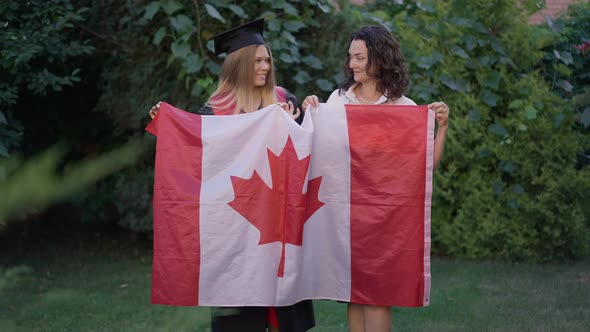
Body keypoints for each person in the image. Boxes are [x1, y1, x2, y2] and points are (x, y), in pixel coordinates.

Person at [149, 19, 315, 332]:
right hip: (237, 229)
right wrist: (168, 126)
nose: (265, 66)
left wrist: (300, 118)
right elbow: (197, 158)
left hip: (278, 225)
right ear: (238, 64)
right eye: (257, 60)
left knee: (284, 318)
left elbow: (310, 150)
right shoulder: (215, 110)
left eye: (267, 60)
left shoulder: (284, 101)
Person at [302, 25, 449, 332]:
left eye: (360, 57)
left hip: (385, 218)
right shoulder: (337, 102)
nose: (352, 64)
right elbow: (319, 151)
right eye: (351, 57)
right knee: (354, 292)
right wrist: (311, 111)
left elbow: (426, 168)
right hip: (347, 215)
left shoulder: (403, 108)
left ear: (379, 60)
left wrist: (442, 128)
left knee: (379, 295)